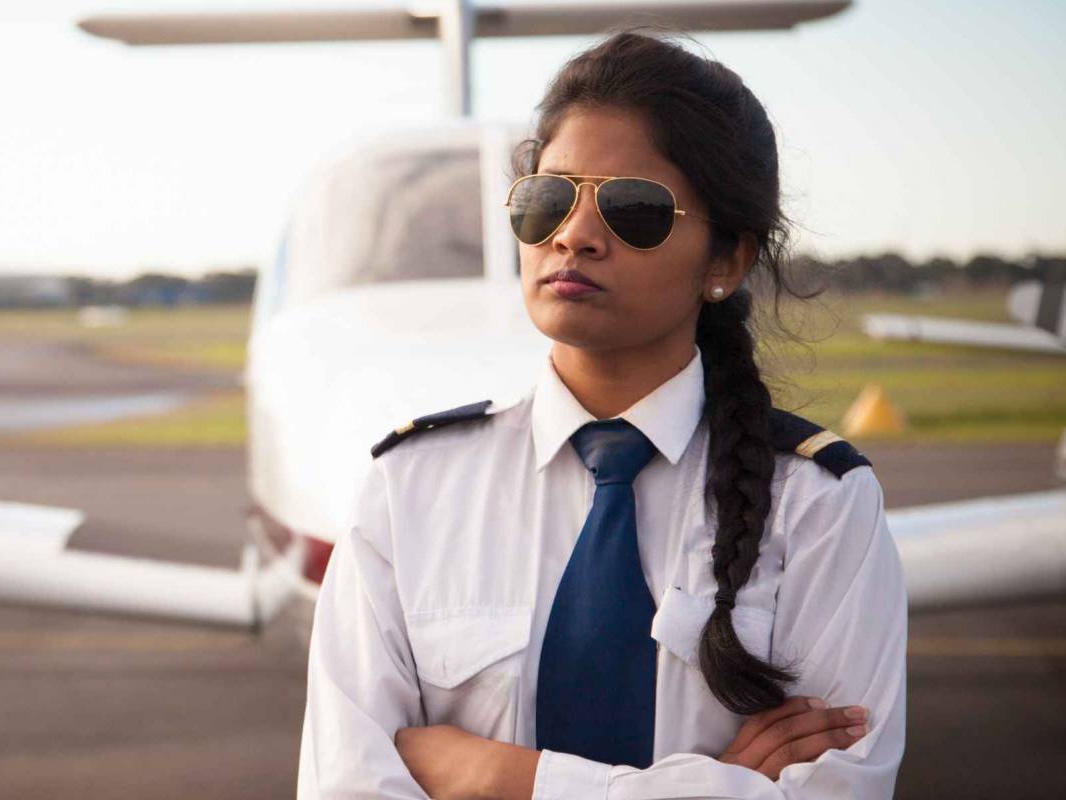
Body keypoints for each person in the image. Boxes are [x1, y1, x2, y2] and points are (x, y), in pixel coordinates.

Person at [296, 31, 907, 800]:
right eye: (547, 200)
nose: (574, 235)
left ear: (726, 261)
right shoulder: (407, 489)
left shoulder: (820, 505)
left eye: (632, 209)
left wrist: (503, 777)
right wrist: (717, 788)